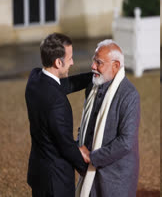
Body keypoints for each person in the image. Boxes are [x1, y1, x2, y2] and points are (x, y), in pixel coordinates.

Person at [25, 33, 92, 197]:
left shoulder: (34, 78)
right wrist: (86, 169)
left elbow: (63, 85)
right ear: (58, 62)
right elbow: (65, 144)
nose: (73, 62)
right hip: (55, 182)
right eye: (70, 59)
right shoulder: (57, 103)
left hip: (38, 172)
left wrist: (93, 76)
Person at [76, 40, 140, 197]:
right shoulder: (92, 87)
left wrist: (91, 157)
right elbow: (84, 124)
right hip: (89, 174)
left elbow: (126, 142)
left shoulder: (129, 95)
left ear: (116, 66)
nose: (93, 66)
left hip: (115, 178)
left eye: (99, 63)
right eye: (94, 60)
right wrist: (79, 146)